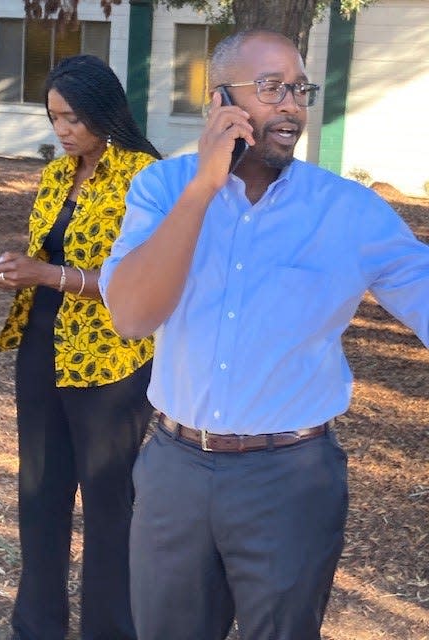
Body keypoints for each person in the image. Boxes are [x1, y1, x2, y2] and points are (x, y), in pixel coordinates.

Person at [99, 29, 429, 640]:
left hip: (291, 478)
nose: (292, 106)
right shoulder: (162, 189)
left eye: (299, 89)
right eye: (271, 87)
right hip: (175, 471)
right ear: (220, 99)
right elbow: (133, 316)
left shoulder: (349, 211)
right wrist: (202, 187)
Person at [0, 55, 160, 640]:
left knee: (110, 506)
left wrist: (46, 274)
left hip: (109, 361)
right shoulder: (60, 173)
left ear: (104, 111)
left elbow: (132, 282)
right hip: (42, 347)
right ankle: (36, 626)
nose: (62, 130)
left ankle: (111, 630)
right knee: (40, 491)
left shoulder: (144, 177)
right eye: (54, 117)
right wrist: (16, 269)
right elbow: (50, 253)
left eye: (72, 118)